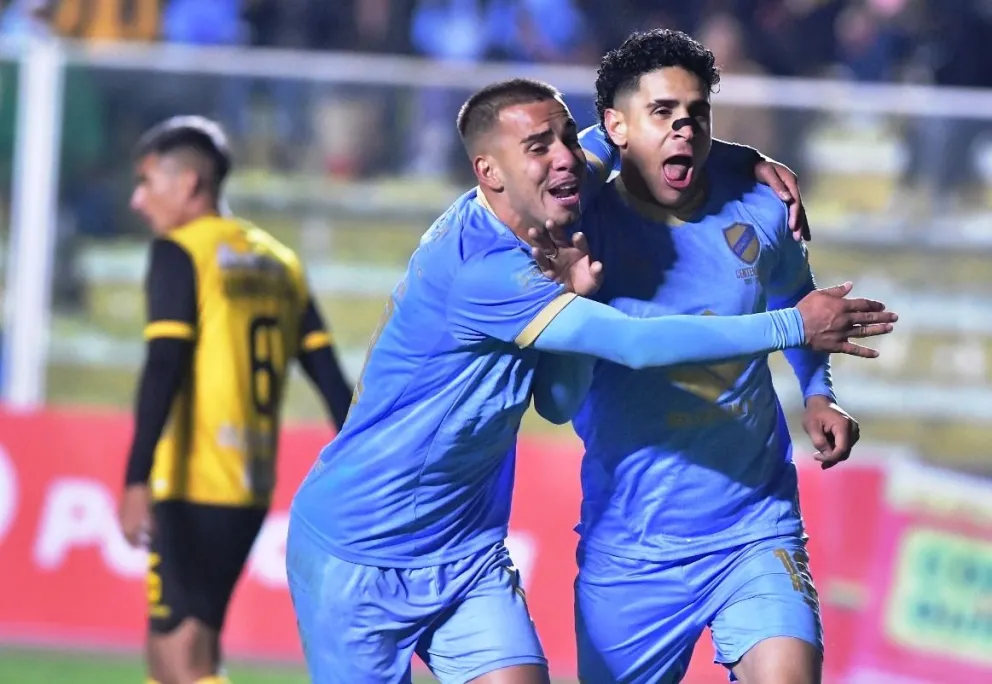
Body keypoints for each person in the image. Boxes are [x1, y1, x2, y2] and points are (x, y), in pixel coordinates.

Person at [286, 78, 896, 684]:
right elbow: (634, 342)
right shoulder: (485, 269)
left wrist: (745, 158)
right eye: (539, 148)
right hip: (360, 548)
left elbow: (557, 398)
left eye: (564, 139)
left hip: (466, 547)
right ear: (489, 174)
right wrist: (793, 324)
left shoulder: (551, 187)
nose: (564, 157)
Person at [546, 29, 865, 684]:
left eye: (696, 115)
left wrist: (817, 393)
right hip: (632, 547)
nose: (684, 130)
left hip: (753, 525)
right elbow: (551, 165)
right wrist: (745, 152)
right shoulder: (583, 224)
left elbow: (796, 298)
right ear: (615, 127)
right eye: (662, 114)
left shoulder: (759, 209)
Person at [116, 116, 352, 684]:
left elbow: (164, 366)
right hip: (249, 482)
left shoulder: (181, 252)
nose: (137, 200)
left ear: (189, 184)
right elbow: (331, 381)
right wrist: (358, 462)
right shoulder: (279, 261)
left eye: (148, 183)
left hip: (192, 478)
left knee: (184, 655)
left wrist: (135, 475)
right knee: (172, 652)